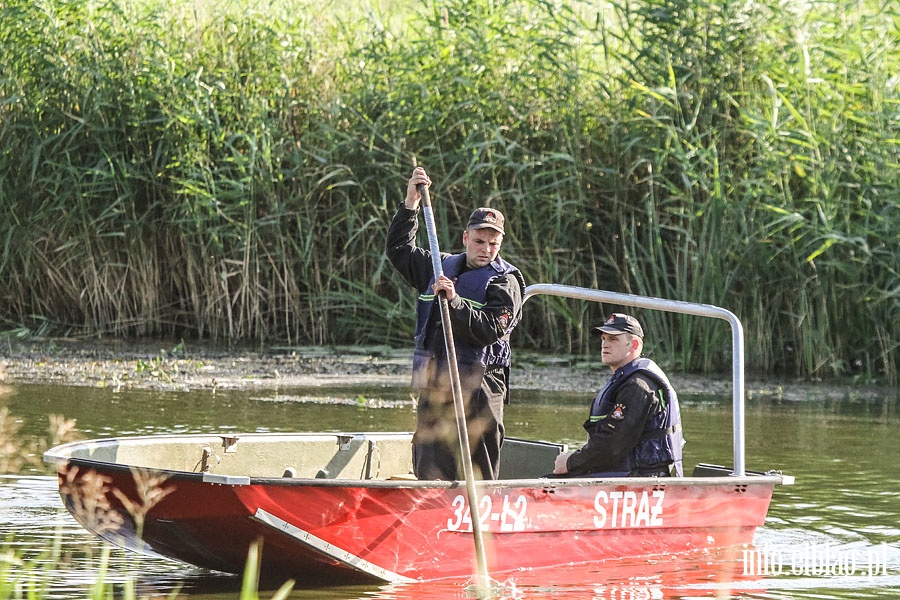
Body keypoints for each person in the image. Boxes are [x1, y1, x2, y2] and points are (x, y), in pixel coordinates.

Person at [386, 166, 526, 481]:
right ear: (466, 238)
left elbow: (490, 329)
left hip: (480, 387)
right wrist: (410, 204)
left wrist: (455, 302)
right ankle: (429, 515)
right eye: (480, 241)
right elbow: (398, 250)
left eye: (493, 243)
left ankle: (479, 519)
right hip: (437, 383)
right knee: (430, 467)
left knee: (479, 470)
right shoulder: (437, 266)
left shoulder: (506, 281)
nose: (486, 250)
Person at [551, 313, 683, 478]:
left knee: (548, 486)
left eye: (613, 339)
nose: (605, 344)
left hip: (641, 480)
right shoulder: (626, 380)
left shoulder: (638, 387)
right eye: (603, 339)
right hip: (622, 474)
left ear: (634, 345)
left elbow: (613, 444)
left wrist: (570, 462)